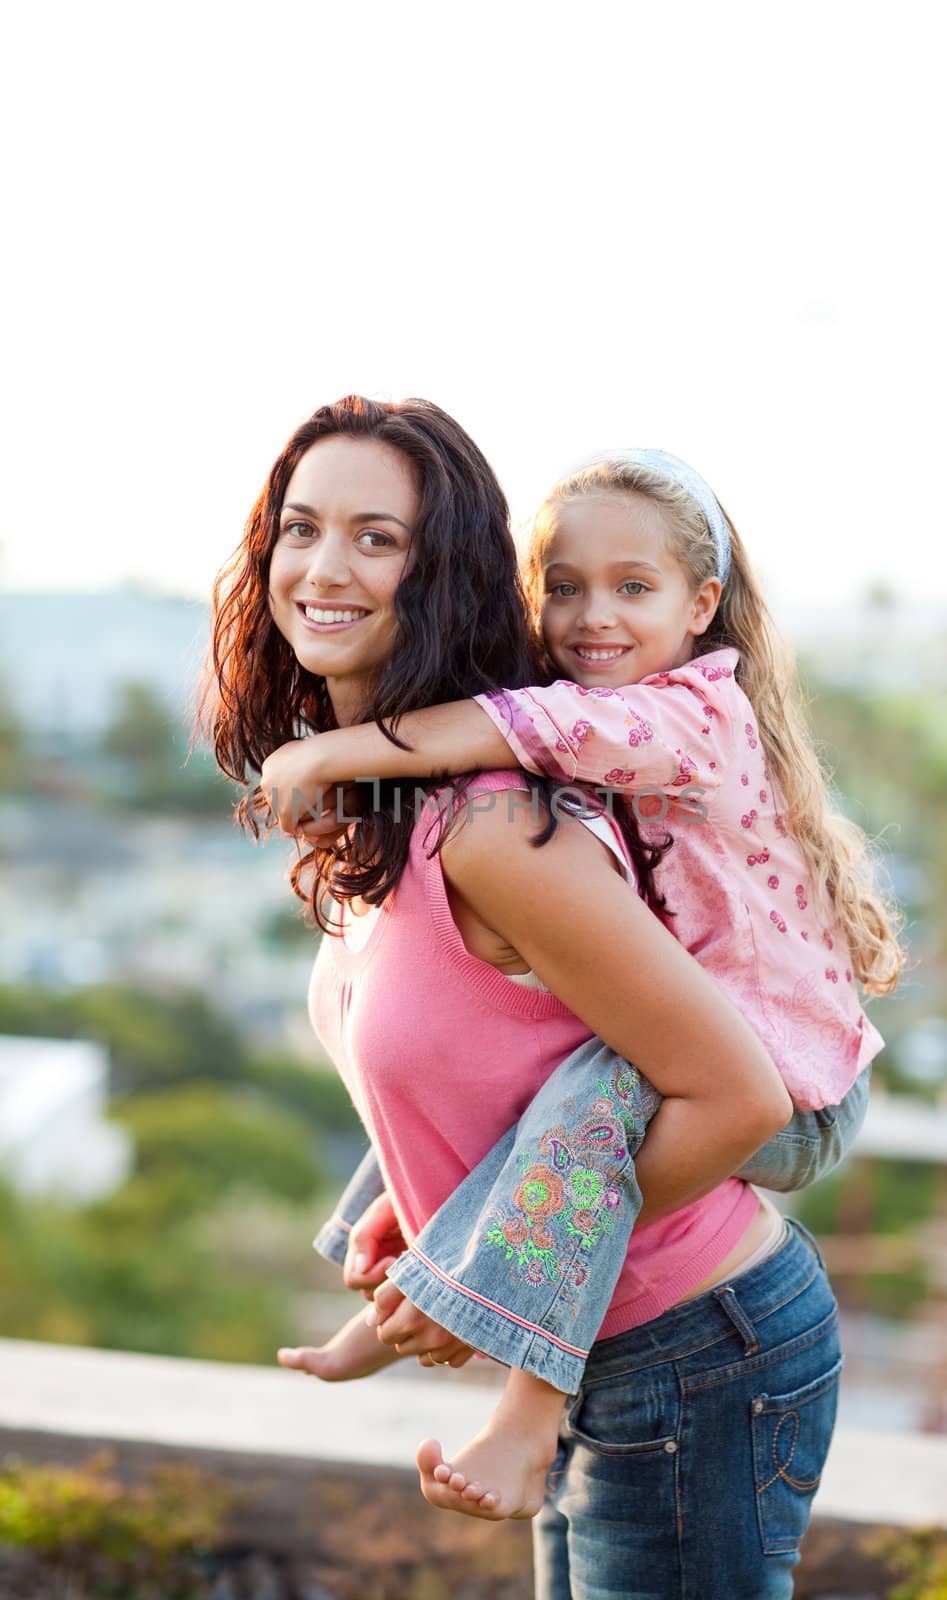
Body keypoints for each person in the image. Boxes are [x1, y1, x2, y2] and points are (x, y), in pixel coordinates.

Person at [202, 397, 870, 1597]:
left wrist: (491, 1285)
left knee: (590, 1098)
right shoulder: (400, 816)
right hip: (606, 1335)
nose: (324, 565)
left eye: (376, 537)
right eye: (301, 528)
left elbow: (735, 1099)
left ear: (445, 569)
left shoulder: (497, 822)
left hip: (691, 1344)